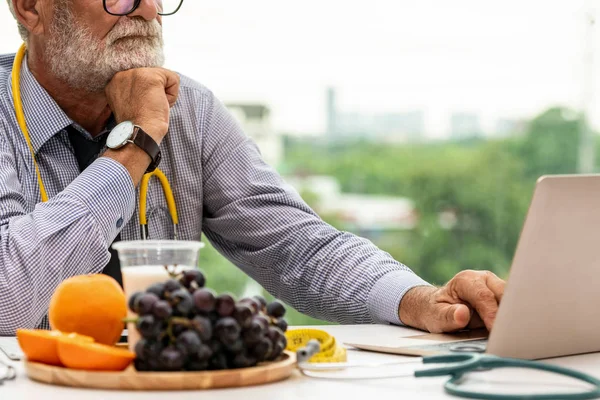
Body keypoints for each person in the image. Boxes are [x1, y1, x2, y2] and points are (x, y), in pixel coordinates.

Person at [0, 0, 506, 336]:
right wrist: (135, 143)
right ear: (32, 7)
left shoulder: (189, 108)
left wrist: (420, 301)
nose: (150, 11)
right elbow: (9, 298)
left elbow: (298, 248)